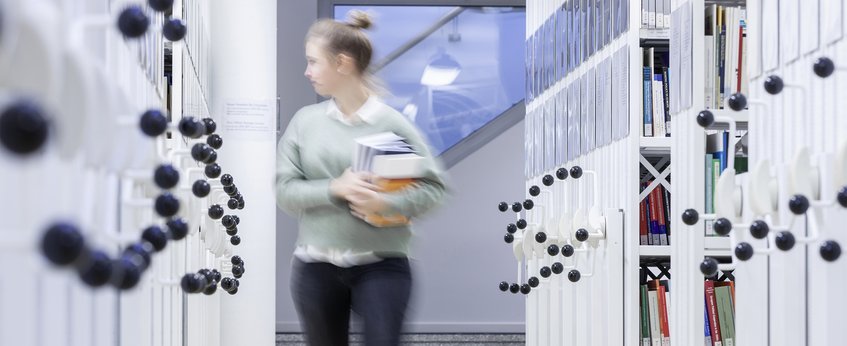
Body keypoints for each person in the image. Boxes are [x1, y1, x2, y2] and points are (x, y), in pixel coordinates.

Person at [275, 10, 449, 346]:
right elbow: (284, 191)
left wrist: (385, 202)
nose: (307, 72)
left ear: (342, 64)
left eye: (313, 62)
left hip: (382, 266)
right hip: (315, 267)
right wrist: (334, 188)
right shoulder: (305, 122)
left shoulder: (391, 123)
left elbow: (434, 189)